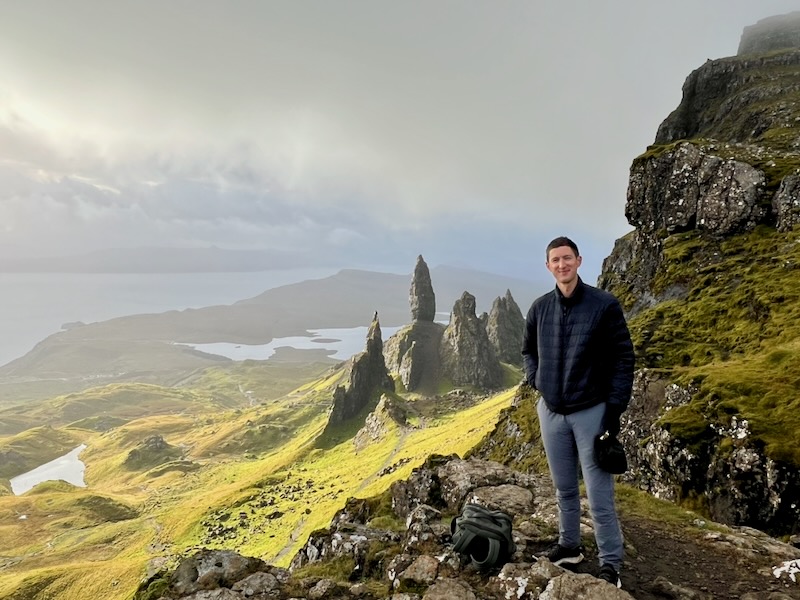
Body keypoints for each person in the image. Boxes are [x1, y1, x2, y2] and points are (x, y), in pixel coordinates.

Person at [521, 236, 634, 588]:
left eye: (567, 258)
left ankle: (610, 564)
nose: (561, 265)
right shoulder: (540, 308)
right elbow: (528, 350)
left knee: (599, 494)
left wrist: (613, 409)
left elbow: (623, 358)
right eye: (555, 260)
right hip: (551, 411)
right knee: (564, 487)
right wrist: (535, 380)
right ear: (548, 265)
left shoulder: (604, 305)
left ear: (579, 261)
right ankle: (570, 546)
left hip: (591, 412)